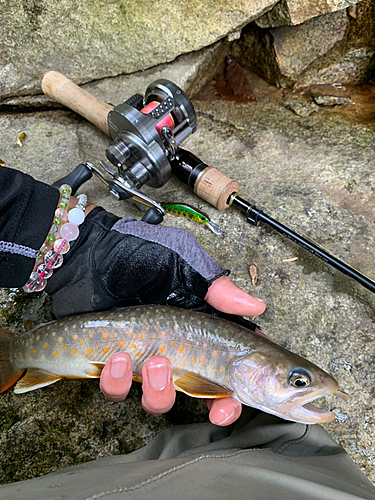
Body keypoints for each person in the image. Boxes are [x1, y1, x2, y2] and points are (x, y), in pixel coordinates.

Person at [0, 165, 374, 499]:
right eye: (298, 382)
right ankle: (16, 353)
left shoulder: (224, 373)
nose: (302, 388)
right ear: (253, 364)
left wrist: (79, 246)